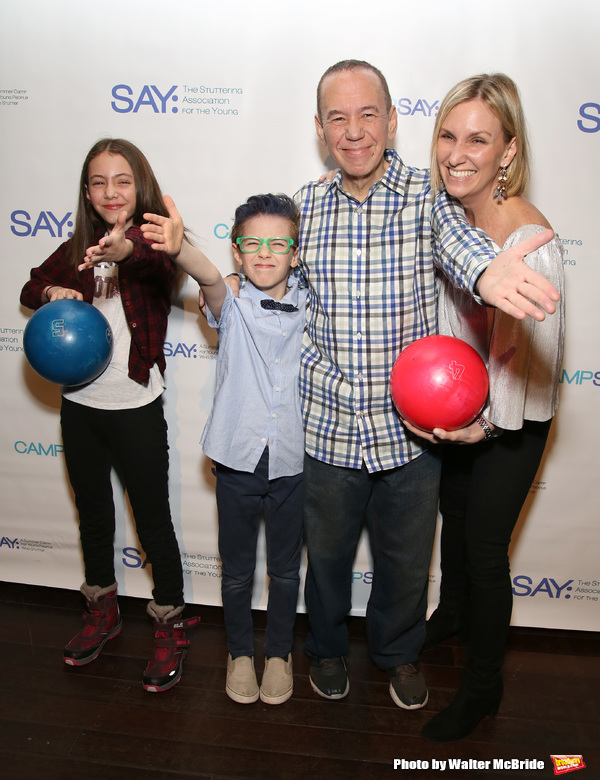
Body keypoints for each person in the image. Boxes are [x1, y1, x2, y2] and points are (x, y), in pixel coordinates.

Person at [294, 60, 560, 711]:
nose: (353, 131)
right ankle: (327, 649)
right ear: (322, 129)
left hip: (409, 433)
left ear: (390, 121)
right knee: (325, 561)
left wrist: (490, 274)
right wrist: (246, 275)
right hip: (327, 423)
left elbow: (462, 245)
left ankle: (398, 653)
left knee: (408, 565)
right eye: (338, 117)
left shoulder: (429, 199)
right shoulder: (300, 207)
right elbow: (264, 273)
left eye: (367, 115)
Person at [403, 73, 564, 741]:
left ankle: (483, 686)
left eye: (478, 139)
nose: (457, 153)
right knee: (453, 515)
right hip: (461, 405)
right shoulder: (453, 216)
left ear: (507, 151)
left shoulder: (530, 242)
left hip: (512, 418)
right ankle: (451, 616)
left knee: (483, 545)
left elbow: (536, 367)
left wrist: (485, 426)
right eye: (447, 134)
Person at [20, 138, 198, 693]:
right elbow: (30, 286)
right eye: (99, 182)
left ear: (139, 184)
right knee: (94, 515)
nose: (110, 192)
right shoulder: (78, 244)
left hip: (136, 406)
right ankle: (102, 609)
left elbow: (164, 265)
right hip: (80, 406)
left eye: (122, 180)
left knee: (152, 520)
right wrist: (52, 287)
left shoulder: (155, 241)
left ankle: (170, 621)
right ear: (87, 191)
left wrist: (125, 253)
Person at [142, 193, 306, 705]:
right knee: (236, 572)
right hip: (237, 459)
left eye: (278, 243)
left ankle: (278, 655)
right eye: (251, 243)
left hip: (297, 460)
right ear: (237, 251)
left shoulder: (316, 300)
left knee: (285, 571)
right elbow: (209, 280)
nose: (264, 252)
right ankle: (239, 654)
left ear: (296, 253)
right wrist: (180, 250)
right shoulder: (230, 301)